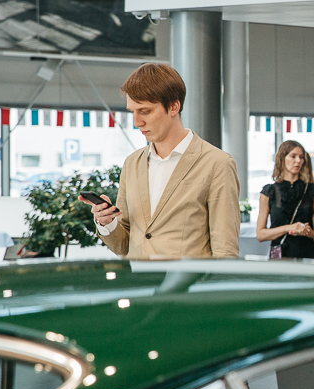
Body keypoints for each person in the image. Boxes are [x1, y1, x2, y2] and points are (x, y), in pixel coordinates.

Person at [86, 63, 240, 259]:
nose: (137, 122)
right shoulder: (132, 164)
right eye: (132, 111)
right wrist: (107, 222)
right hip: (139, 277)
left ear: (174, 106)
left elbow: (225, 251)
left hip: (188, 279)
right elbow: (125, 246)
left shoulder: (217, 163)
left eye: (145, 111)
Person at [257, 140, 314, 260]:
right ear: (282, 158)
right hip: (280, 256)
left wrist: (309, 232)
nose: (298, 161)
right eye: (293, 156)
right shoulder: (269, 192)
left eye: (301, 157)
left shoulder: (312, 190)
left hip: (307, 255)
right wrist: (289, 228)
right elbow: (260, 234)